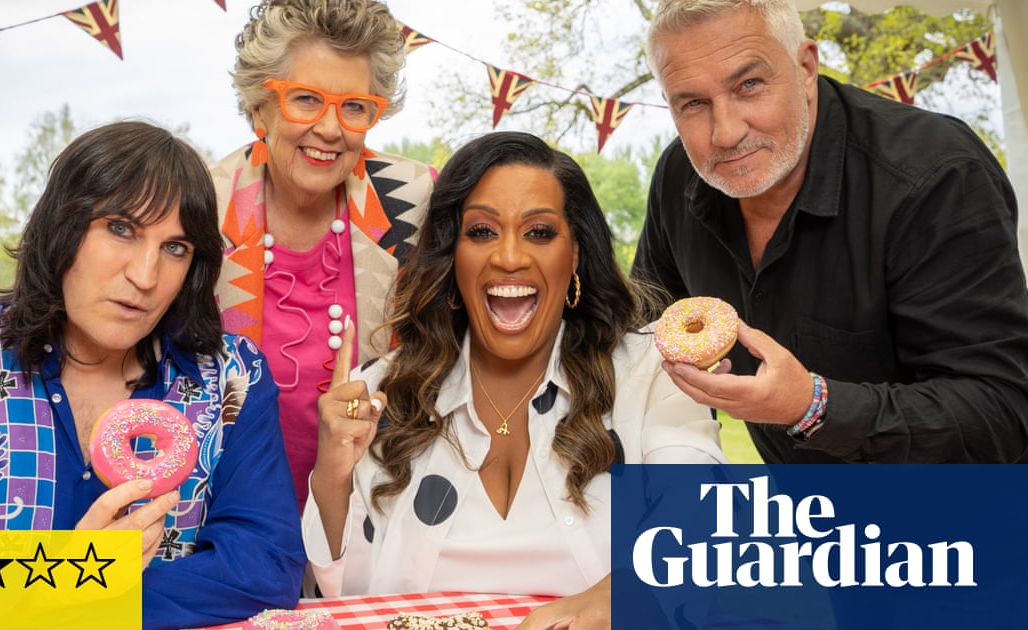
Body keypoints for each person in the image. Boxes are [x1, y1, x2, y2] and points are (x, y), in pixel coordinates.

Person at [0, 121, 306, 629]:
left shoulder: (234, 379)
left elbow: (267, 566)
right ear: (62, 229)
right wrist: (71, 577)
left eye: (175, 248)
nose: (145, 276)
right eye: (121, 229)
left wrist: (76, 602)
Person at [303, 131, 726, 625]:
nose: (508, 257)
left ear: (575, 255)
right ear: (452, 257)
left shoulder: (651, 371)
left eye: (539, 232)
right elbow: (350, 600)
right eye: (482, 232)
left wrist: (618, 597)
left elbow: (702, 524)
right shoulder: (380, 391)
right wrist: (332, 476)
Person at [631, 0, 1028, 464]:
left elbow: (995, 414)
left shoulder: (935, 174)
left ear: (806, 67)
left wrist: (811, 406)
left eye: (749, 85)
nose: (725, 133)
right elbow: (643, 333)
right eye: (693, 103)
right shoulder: (679, 176)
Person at [211, 0, 435, 512]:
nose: (331, 129)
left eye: (354, 106)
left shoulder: (418, 201)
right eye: (306, 99)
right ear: (259, 108)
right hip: (224, 519)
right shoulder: (202, 207)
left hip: (377, 513)